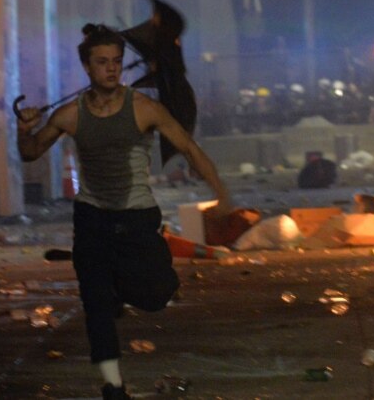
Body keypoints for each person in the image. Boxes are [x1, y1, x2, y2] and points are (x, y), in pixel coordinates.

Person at [16, 23, 233, 400]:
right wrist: (23, 128)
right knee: (96, 307)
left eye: (117, 61)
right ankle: (113, 388)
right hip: (92, 218)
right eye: (102, 62)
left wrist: (221, 195)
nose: (112, 69)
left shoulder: (144, 108)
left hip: (136, 217)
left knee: (157, 294)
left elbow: (190, 149)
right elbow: (30, 151)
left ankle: (119, 286)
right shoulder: (70, 115)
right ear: (87, 67)